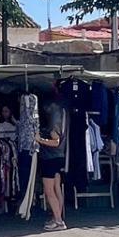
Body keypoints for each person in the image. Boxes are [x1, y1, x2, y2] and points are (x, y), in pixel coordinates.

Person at [37, 92, 68, 229]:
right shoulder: (61, 118)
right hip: (58, 157)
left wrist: (40, 140)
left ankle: (58, 220)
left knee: (49, 191)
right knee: (57, 189)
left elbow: (55, 142)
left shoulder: (53, 123)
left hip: (50, 158)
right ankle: (58, 217)